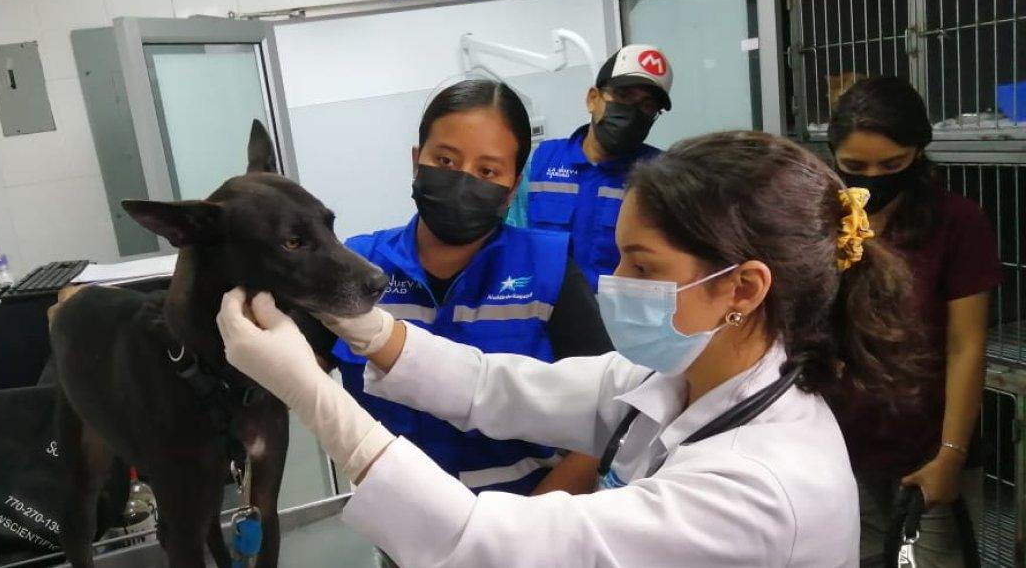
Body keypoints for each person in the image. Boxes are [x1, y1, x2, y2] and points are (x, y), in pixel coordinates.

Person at [219, 130, 927, 567]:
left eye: (643, 266)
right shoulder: (673, 374)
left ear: (741, 287)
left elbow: (490, 544)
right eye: (619, 256)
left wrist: (312, 394)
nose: (613, 281)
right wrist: (367, 330)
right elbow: (495, 386)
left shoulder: (761, 486)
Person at [328, 79, 614, 497]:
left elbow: (604, 420)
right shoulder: (356, 268)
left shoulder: (549, 271)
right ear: (416, 161)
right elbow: (288, 370)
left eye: (487, 171)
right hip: (399, 522)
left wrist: (522, 526)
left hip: (529, 520)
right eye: (445, 160)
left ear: (512, 188)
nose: (463, 182)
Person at [826, 77, 1000, 567]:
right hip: (837, 444)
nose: (874, 179)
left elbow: (966, 345)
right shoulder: (822, 220)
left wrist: (951, 454)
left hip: (928, 443)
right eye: (855, 167)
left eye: (892, 165)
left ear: (918, 152)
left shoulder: (957, 222)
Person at [506, 44, 673, 290]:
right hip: (543, 305)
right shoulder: (541, 161)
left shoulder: (661, 175)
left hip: (616, 311)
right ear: (593, 99)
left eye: (647, 106)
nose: (632, 113)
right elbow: (512, 240)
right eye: (623, 96)